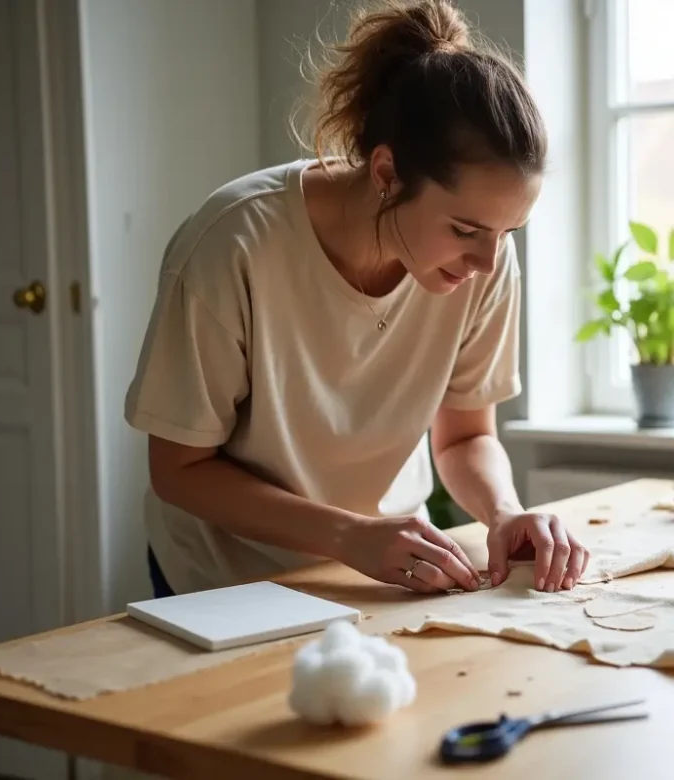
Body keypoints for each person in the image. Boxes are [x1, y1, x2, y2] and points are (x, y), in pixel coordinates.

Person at [124, 0, 590, 600]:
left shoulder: (485, 261)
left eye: (508, 233)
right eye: (466, 230)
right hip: (225, 578)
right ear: (387, 172)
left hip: (382, 568)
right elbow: (179, 470)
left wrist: (505, 512)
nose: (487, 263)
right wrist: (350, 536)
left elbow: (464, 437)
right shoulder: (233, 244)